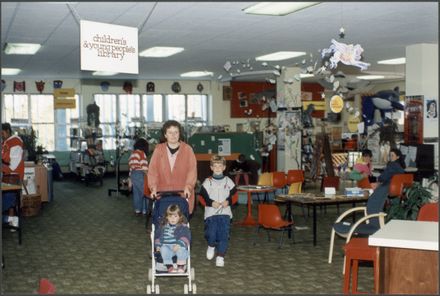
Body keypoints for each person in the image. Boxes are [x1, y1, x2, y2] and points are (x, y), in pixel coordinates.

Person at [148, 120, 197, 214]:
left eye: (176, 132)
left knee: (181, 223)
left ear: (180, 134)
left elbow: (192, 171)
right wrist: (153, 188)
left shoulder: (187, 150)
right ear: (165, 135)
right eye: (170, 132)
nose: (173, 135)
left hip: (182, 193)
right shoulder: (159, 149)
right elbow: (153, 171)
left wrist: (189, 186)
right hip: (162, 194)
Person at [199, 155, 237, 267]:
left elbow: (235, 196)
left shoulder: (228, 181)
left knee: (223, 235)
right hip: (211, 214)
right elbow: (202, 197)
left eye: (220, 166)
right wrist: (211, 203)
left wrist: (228, 202)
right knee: (211, 234)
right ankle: (211, 245)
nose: (217, 168)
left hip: (225, 213)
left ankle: (220, 256)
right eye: (215, 166)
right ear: (211, 167)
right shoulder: (207, 182)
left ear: (224, 167)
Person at [154, 204, 191, 273]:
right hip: (166, 246)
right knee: (163, 249)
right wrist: (158, 246)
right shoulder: (163, 226)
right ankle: (169, 266)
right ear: (167, 217)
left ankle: (181, 266)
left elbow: (186, 236)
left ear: (180, 217)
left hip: (177, 245)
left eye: (175, 216)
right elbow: (158, 236)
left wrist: (179, 244)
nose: (172, 219)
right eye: (170, 216)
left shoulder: (182, 227)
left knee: (182, 249)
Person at [1, 123, 24, 228]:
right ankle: (11, 220)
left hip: (13, 175)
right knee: (9, 198)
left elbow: (13, 165)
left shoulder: (15, 142)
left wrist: (2, 166)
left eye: (2, 133)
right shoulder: (6, 142)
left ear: (8, 131)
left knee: (10, 198)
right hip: (7, 175)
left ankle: (12, 220)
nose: (1, 135)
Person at [128, 138, 149, 216]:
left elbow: (130, 168)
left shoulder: (132, 154)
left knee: (137, 194)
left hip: (133, 174)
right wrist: (149, 175)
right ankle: (145, 210)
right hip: (140, 174)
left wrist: (130, 182)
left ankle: (137, 210)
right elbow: (144, 167)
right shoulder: (141, 153)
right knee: (145, 192)